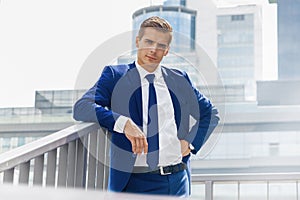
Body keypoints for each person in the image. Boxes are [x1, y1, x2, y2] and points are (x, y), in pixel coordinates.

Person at [73, 16, 219, 197]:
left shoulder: (179, 79)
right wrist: (123, 123)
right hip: (134, 183)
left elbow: (210, 113)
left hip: (176, 180)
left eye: (161, 46)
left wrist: (190, 142)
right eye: (148, 41)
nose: (153, 50)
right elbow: (82, 107)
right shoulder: (114, 75)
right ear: (137, 42)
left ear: (167, 51)